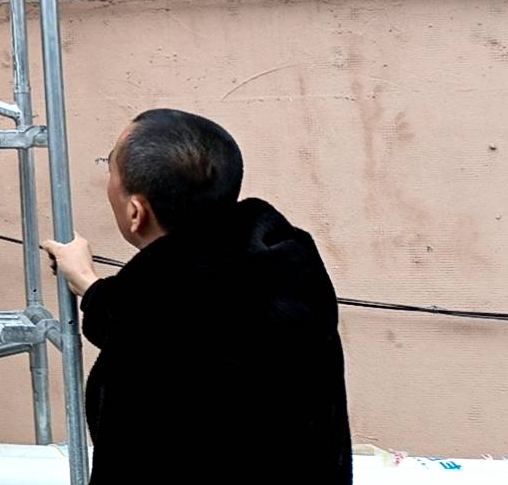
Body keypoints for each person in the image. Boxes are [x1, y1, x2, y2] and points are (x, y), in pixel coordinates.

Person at [41, 109, 352, 484]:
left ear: (136, 212)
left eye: (110, 169)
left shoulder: (153, 320)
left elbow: (154, 321)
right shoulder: (288, 262)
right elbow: (176, 311)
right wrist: (91, 285)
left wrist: (90, 285)